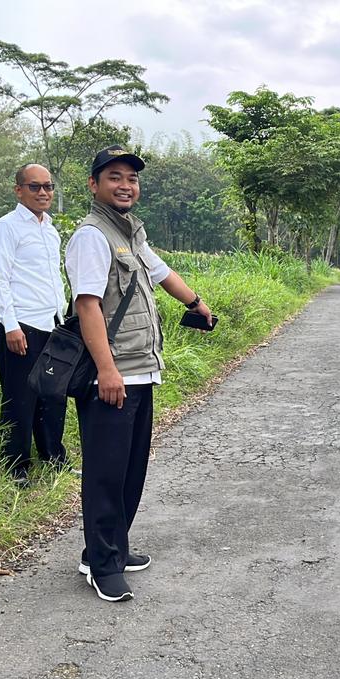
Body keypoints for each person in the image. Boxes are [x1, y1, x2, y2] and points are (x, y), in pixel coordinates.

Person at [66, 145, 213, 602]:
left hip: (141, 370)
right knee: (106, 474)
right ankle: (101, 565)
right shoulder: (92, 236)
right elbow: (87, 305)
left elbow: (162, 273)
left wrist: (195, 303)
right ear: (94, 184)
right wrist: (106, 370)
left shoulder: (129, 233)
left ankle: (112, 547)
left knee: (130, 470)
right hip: (111, 376)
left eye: (131, 178)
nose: (125, 185)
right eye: (114, 176)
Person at [0, 163, 68, 482]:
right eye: (35, 186)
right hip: (22, 325)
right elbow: (0, 279)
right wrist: (10, 325)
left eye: (48, 186)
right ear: (18, 190)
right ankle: (15, 466)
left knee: (52, 396)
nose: (43, 192)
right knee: (20, 399)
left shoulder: (50, 230)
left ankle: (53, 457)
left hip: (52, 324)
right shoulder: (6, 228)